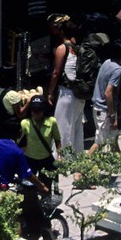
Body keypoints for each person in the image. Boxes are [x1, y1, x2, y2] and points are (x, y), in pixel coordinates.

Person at [0, 134, 51, 240]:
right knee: (14, 217)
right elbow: (28, 175)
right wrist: (42, 186)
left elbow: (3, 164)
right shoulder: (18, 153)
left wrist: (12, 177)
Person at [47, 14, 84, 152]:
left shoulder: (62, 48)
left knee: (62, 127)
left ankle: (62, 158)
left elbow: (56, 73)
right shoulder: (76, 46)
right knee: (76, 127)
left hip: (67, 93)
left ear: (59, 30)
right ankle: (77, 157)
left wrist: (50, 93)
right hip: (79, 92)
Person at [90, 41, 121, 150]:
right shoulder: (118, 69)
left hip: (98, 107)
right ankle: (82, 166)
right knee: (100, 142)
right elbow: (108, 93)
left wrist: (118, 105)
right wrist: (112, 117)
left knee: (113, 139)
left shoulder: (106, 62)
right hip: (104, 110)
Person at [19, 96, 62, 176]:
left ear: (44, 110)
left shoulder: (52, 121)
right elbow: (17, 142)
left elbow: (57, 139)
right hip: (30, 159)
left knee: (47, 185)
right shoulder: (25, 123)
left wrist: (59, 156)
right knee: (28, 186)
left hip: (46, 158)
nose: (36, 112)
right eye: (34, 110)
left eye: (39, 110)